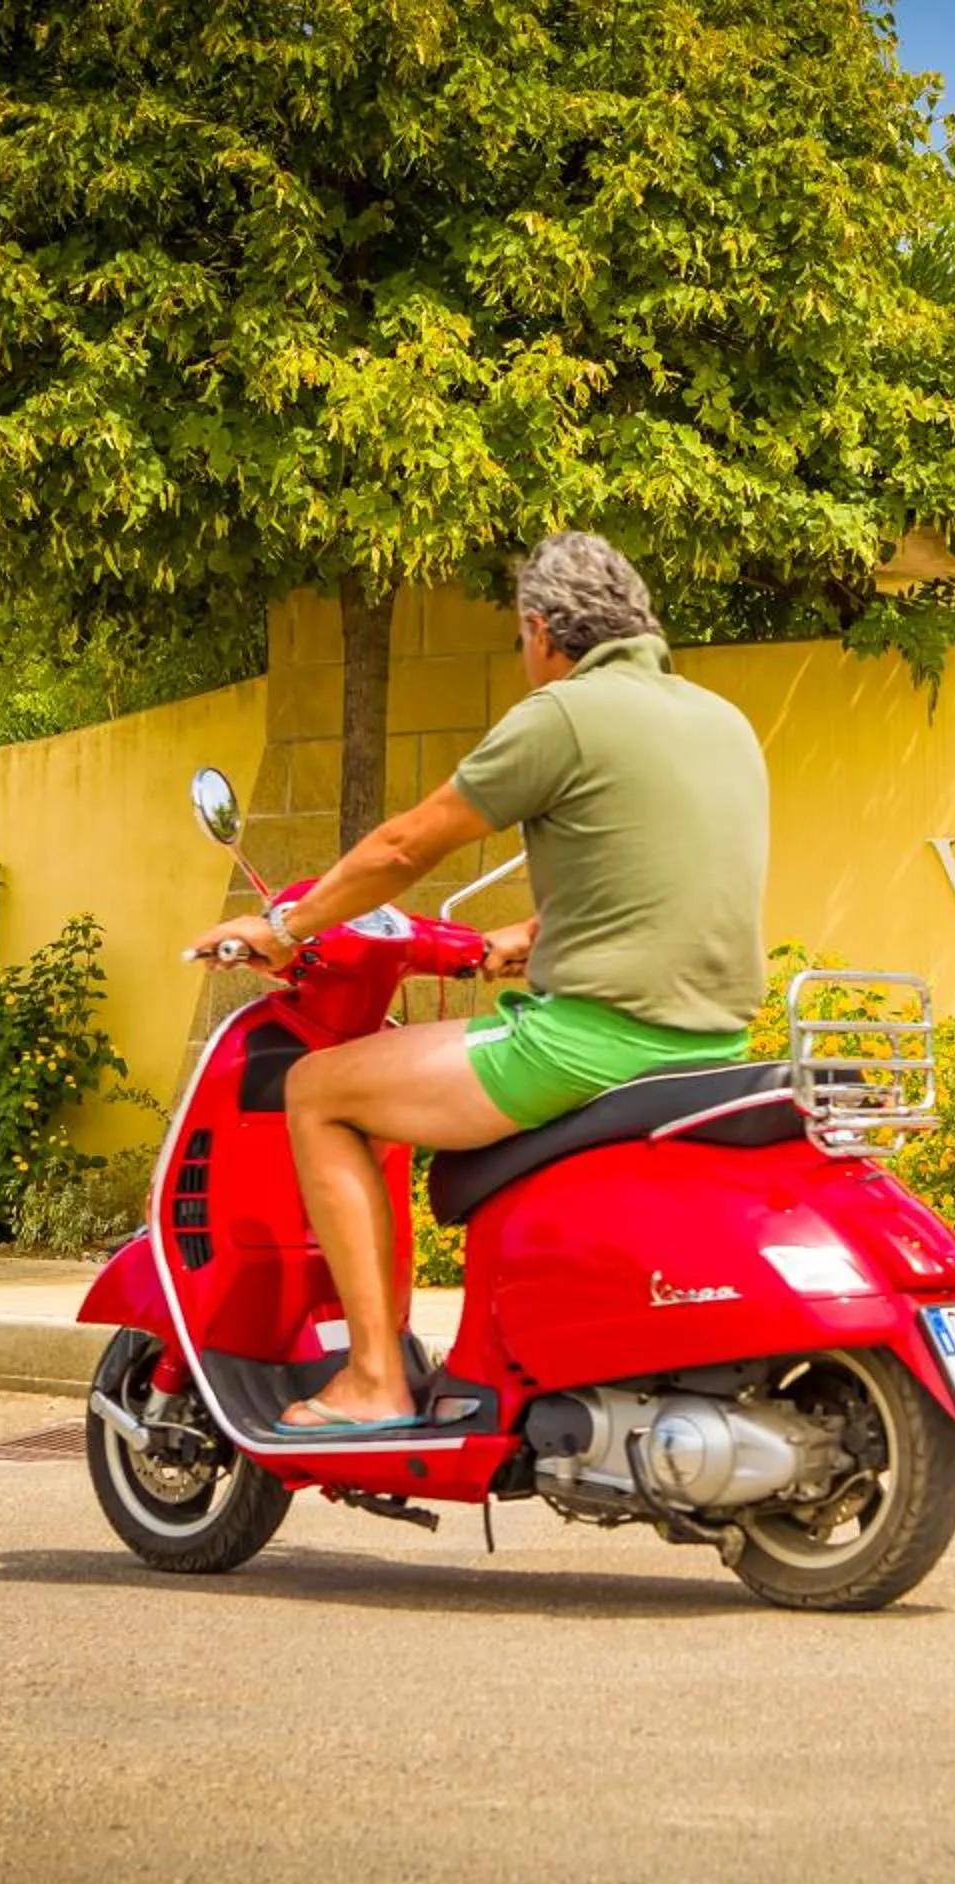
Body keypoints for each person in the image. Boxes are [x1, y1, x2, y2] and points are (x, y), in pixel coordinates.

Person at [189, 532, 770, 1432]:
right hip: (715, 1048)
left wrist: (280, 928)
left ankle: (376, 1377)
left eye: (518, 642)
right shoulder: (721, 720)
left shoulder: (568, 713)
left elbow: (404, 847)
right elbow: (669, 877)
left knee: (317, 1092)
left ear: (541, 632)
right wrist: (535, 937)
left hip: (590, 1046)